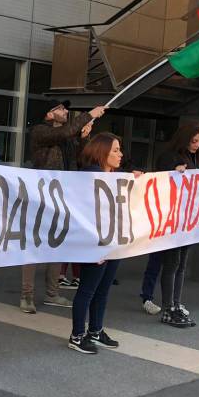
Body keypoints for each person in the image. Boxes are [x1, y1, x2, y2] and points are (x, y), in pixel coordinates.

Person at [20, 100, 105, 312]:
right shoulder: (40, 131)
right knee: (33, 245)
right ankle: (26, 296)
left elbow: (79, 158)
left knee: (58, 244)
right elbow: (63, 134)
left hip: (63, 196)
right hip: (41, 196)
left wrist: (83, 138)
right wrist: (89, 114)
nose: (65, 111)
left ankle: (52, 292)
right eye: (61, 108)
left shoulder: (67, 136)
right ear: (49, 114)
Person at [68, 133, 125, 354]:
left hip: (112, 242)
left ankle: (95, 330)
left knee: (102, 289)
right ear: (102, 152)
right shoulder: (88, 177)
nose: (120, 154)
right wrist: (91, 245)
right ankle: (77, 335)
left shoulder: (116, 177)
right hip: (95, 243)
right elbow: (81, 212)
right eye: (115, 150)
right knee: (88, 289)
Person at [156, 122, 199, 328]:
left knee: (180, 264)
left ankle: (175, 304)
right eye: (195, 141)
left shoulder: (192, 157)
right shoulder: (170, 156)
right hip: (173, 218)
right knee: (172, 264)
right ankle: (168, 307)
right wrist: (173, 171)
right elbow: (160, 178)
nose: (198, 145)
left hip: (187, 218)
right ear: (185, 139)